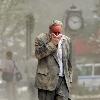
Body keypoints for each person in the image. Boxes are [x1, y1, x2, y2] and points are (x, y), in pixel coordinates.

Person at [34, 20, 73, 100]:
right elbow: (38, 54)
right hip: (46, 82)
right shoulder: (41, 38)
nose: (57, 35)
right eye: (55, 32)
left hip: (63, 81)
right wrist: (52, 44)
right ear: (50, 30)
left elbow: (69, 62)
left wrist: (69, 78)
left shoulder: (66, 40)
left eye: (59, 32)